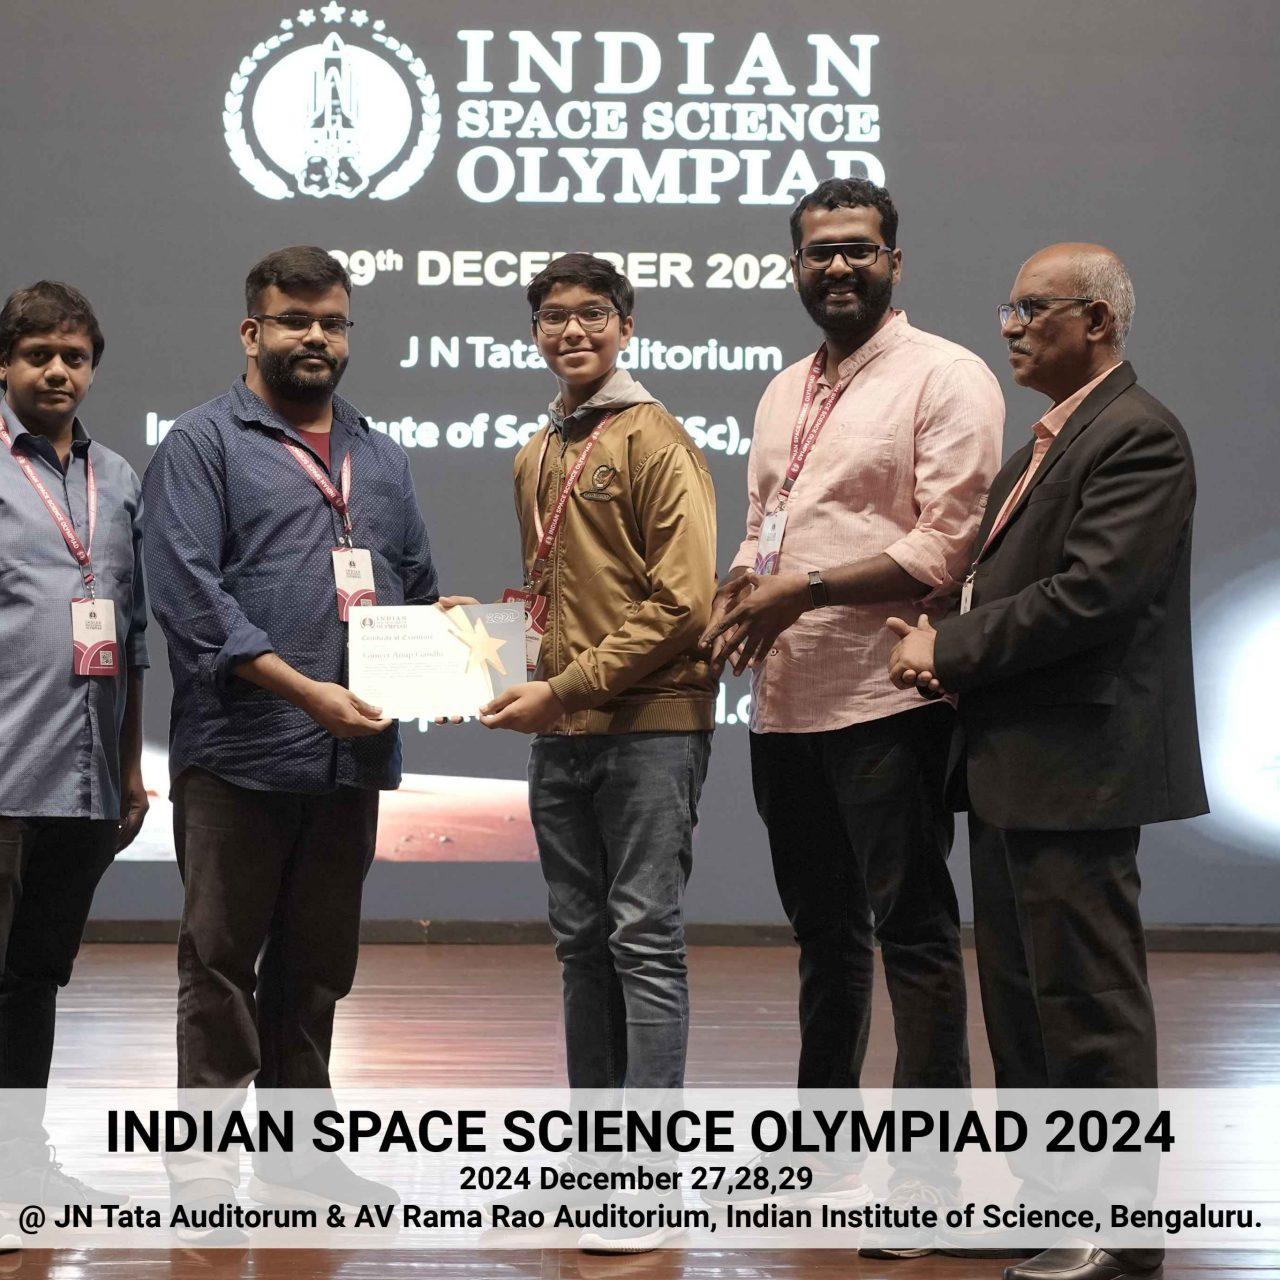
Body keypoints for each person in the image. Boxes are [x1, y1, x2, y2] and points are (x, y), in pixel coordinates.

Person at [888, 243, 1207, 1280]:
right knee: (1024, 999)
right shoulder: (1046, 443)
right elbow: (1008, 588)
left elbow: (1090, 594)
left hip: (1079, 764)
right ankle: (1048, 1201)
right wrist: (944, 638)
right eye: (1009, 308)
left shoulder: (1137, 434)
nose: (1010, 328)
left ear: (1097, 321)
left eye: (1032, 310)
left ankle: (1118, 1226)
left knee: (1085, 998)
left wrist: (949, 646)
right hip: (1014, 760)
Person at [702, 179, 1002, 1196]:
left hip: (888, 697)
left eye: (857, 249)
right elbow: (765, 524)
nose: (837, 266)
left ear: (893, 263)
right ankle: (819, 1144)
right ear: (794, 266)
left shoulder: (946, 376)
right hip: (786, 700)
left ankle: (927, 1178)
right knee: (823, 936)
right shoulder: (782, 388)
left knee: (913, 935)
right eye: (818, 251)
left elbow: (946, 544)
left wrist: (804, 589)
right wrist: (738, 594)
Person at [143, 246, 439, 1224]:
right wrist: (307, 693)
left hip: (348, 760)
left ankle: (297, 1159)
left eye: (332, 322)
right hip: (239, 753)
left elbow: (412, 586)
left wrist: (448, 646)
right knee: (220, 963)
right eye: (295, 319)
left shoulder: (380, 456)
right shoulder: (202, 444)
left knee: (315, 970)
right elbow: (192, 603)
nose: (316, 337)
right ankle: (202, 1166)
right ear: (252, 331)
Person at [479, 253, 716, 1250]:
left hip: (648, 723)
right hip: (564, 729)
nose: (570, 330)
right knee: (581, 943)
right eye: (551, 316)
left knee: (641, 938)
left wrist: (566, 686)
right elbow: (552, 599)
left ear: (625, 326)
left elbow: (683, 602)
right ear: (534, 331)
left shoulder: (656, 437)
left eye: (591, 314)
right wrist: (477, 639)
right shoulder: (537, 449)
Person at [0, 282, 148, 1213]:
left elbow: (133, 637)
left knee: (36, 979)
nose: (58, 371)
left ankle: (20, 1166)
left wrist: (130, 771)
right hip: (5, 775)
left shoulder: (120, 478)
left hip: (87, 783)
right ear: (4, 364)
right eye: (38, 355)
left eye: (75, 357)